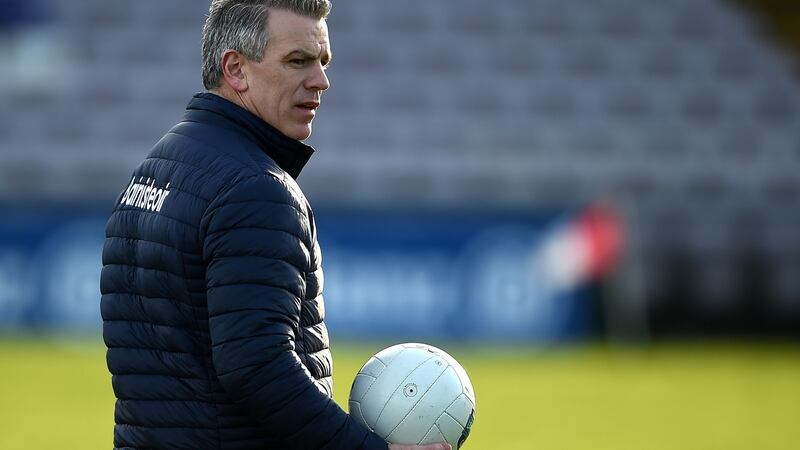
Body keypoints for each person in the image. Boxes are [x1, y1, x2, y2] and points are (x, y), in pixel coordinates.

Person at [100, 1, 452, 449]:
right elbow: (257, 367)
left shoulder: (153, 170)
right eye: (298, 61)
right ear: (236, 69)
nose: (321, 81)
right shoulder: (255, 188)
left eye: (323, 62)